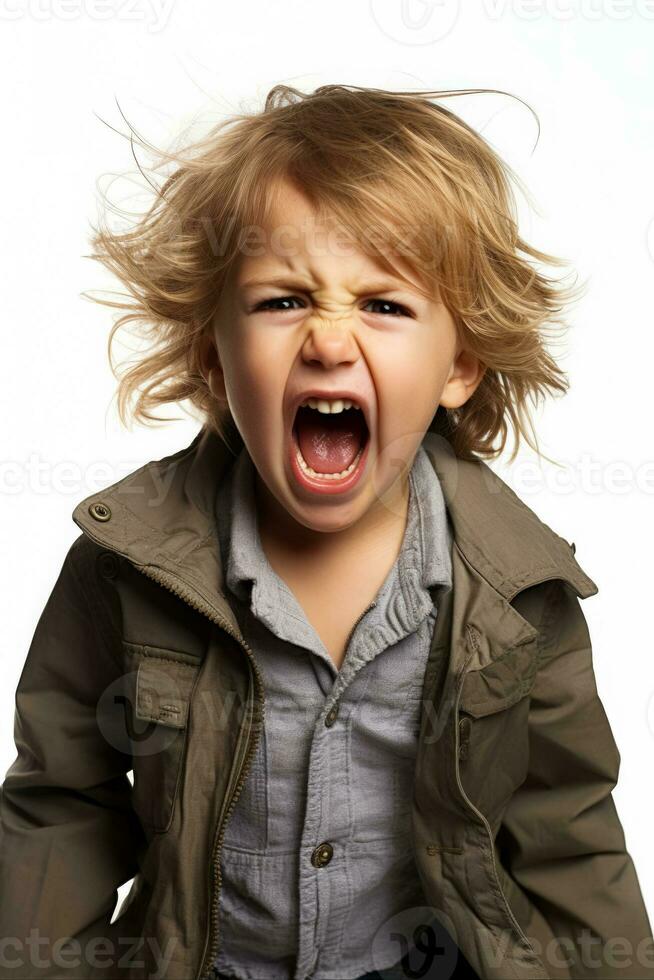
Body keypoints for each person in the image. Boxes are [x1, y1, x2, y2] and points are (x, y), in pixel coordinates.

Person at [1, 83, 651, 980]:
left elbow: (570, 836)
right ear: (212, 355)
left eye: (385, 305)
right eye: (281, 301)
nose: (330, 340)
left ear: (459, 365)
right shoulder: (124, 573)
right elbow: (60, 809)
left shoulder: (518, 598)